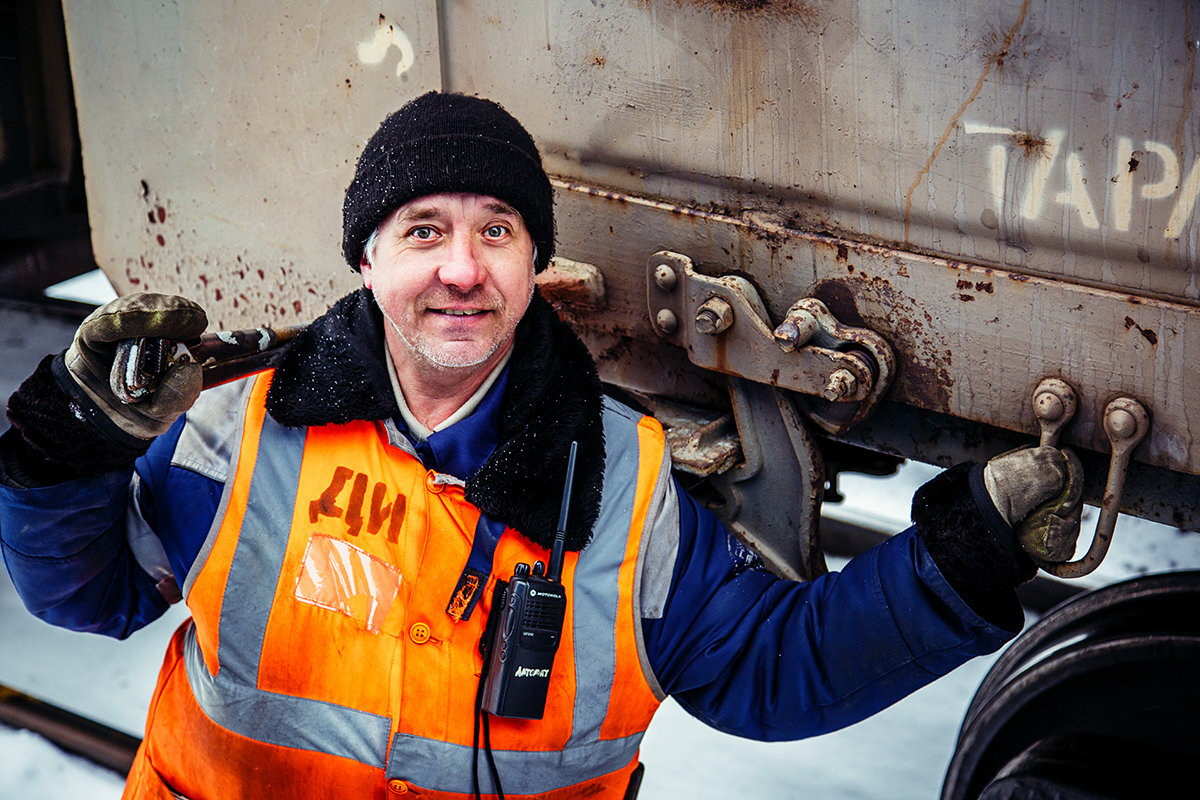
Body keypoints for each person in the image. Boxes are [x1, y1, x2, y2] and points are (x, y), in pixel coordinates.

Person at [0, 92, 1077, 800]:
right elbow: (84, 589)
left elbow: (768, 669)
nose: (460, 268)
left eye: (495, 231)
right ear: (367, 262)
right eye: (423, 230)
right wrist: (62, 442)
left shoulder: (624, 488)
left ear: (533, 268)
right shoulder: (242, 429)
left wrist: (960, 556)